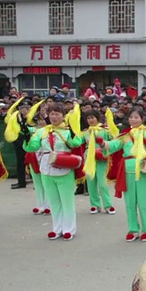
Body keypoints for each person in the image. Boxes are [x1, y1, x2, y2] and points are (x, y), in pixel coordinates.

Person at [23, 103, 84, 241]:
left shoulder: (68, 131)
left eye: (57, 114)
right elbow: (32, 147)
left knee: (66, 201)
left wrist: (74, 132)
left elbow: (76, 143)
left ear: (63, 115)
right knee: (54, 200)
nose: (54, 117)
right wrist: (27, 138)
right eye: (51, 114)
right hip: (46, 167)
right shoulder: (41, 131)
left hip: (64, 166)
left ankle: (69, 228)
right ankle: (57, 228)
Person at [103, 108, 146, 242]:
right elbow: (114, 145)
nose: (133, 119)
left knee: (143, 202)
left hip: (143, 170)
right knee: (129, 203)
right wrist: (102, 143)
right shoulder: (125, 135)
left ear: (142, 119)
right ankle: (133, 229)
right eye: (131, 117)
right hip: (127, 171)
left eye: (136, 117)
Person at [82, 109, 115, 215]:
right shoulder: (85, 132)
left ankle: (108, 205)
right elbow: (76, 142)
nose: (90, 120)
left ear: (97, 118)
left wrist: (103, 146)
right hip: (89, 159)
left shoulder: (105, 131)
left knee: (102, 183)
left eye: (92, 117)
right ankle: (95, 205)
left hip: (102, 158)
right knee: (91, 183)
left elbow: (114, 141)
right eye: (88, 118)